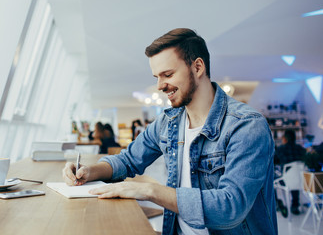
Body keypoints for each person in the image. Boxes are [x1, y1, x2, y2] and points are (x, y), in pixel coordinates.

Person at [63, 28, 277, 234]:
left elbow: (230, 208)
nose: (160, 85)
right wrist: (90, 171)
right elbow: (128, 160)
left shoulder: (246, 125)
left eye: (167, 74)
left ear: (198, 67)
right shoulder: (168, 122)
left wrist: (150, 191)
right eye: (156, 77)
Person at [274, 129, 306, 216]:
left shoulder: (280, 149)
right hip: (301, 181)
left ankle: (276, 204)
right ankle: (295, 205)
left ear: (285, 138)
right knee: (294, 177)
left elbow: (274, 161)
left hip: (286, 181)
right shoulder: (301, 149)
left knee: (272, 180)